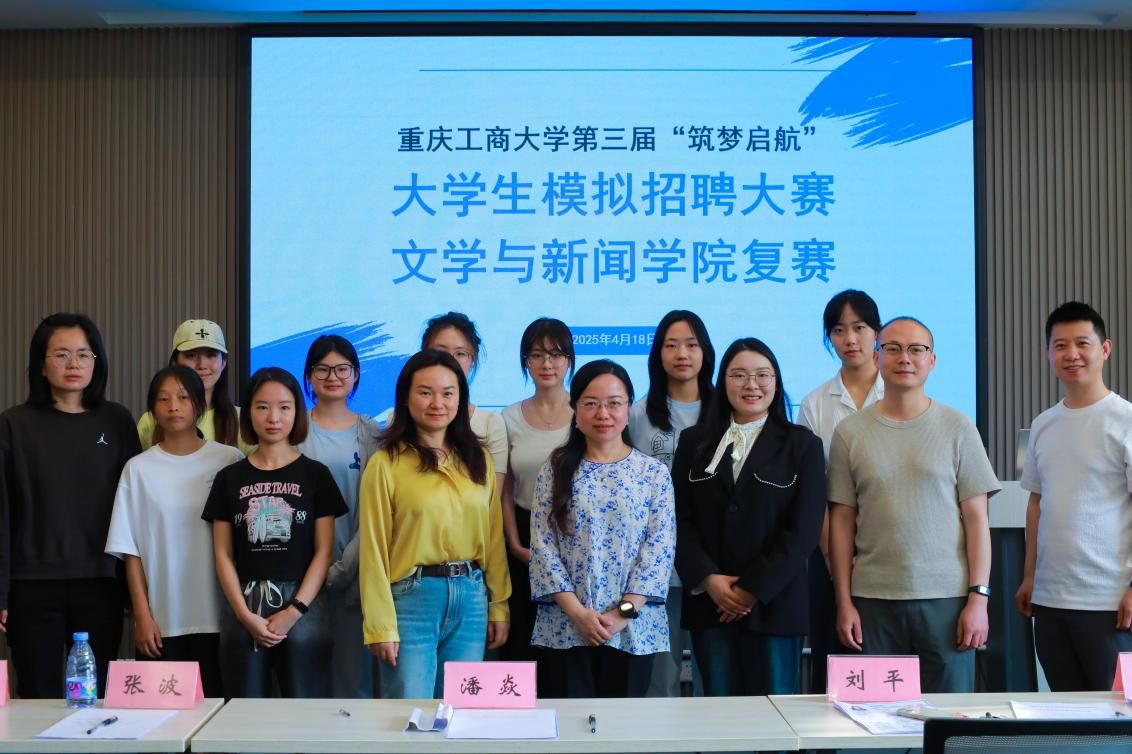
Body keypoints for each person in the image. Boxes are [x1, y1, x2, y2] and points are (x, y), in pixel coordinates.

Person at [828, 316, 1000, 693]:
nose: (904, 358)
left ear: (932, 360)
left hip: (948, 601)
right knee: (874, 716)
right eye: (893, 349)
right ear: (877, 357)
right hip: (872, 600)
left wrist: (979, 599)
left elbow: (977, 520)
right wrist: (844, 601)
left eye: (916, 350)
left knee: (948, 715)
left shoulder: (958, 426)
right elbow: (840, 521)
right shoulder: (850, 433)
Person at [673, 338, 825, 696]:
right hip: (710, 605)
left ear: (776, 381)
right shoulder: (694, 442)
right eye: (739, 375)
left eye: (762, 375)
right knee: (719, 714)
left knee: (774, 714)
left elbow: (803, 530)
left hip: (774, 605)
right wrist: (709, 580)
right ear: (723, 381)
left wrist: (751, 589)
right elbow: (678, 520)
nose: (751, 384)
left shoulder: (802, 444)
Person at [0, 313, 141, 698]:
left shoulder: (116, 421)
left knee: (95, 697)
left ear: (97, 361)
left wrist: (134, 590)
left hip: (101, 583)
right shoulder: (13, 424)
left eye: (83, 354)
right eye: (61, 355)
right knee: (37, 695)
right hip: (31, 586)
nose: (74, 364)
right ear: (41, 365)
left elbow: (134, 510)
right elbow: (3, 514)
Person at [358, 349, 510, 699]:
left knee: (461, 711)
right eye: (425, 392)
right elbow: (373, 551)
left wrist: (499, 605)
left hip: (471, 598)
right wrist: (380, 625)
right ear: (406, 398)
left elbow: (493, 539)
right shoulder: (386, 463)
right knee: (408, 713)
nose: (437, 403)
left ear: (460, 399)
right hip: (412, 600)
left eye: (447, 393)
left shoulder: (479, 460)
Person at [529, 359, 675, 698]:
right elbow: (543, 546)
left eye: (614, 403)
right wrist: (579, 614)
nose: (603, 414)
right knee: (571, 724)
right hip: (567, 626)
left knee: (624, 726)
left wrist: (621, 615)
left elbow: (658, 553)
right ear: (575, 410)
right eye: (591, 404)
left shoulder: (652, 473)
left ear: (628, 408)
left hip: (632, 628)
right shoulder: (555, 468)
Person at [202, 367, 346, 698]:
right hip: (244, 604)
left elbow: (324, 552)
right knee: (244, 709)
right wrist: (243, 614)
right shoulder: (229, 478)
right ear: (249, 412)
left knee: (306, 708)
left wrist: (294, 611)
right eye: (262, 407)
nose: (273, 417)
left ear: (297, 412)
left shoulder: (316, 475)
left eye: (284, 407)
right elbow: (222, 554)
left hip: (304, 606)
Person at [105, 365, 243, 698]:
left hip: (223, 619)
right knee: (164, 718)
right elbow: (130, 551)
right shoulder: (138, 469)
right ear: (152, 408)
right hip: (163, 623)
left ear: (200, 404)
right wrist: (142, 616)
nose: (173, 407)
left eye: (183, 397)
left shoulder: (229, 461)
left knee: (222, 716)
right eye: (163, 399)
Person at [1015, 301, 1132, 690]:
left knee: (1117, 714)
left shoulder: (1126, 420)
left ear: (1105, 349)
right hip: (1050, 600)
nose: (1071, 354)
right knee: (1065, 711)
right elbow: (1036, 504)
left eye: (1082, 343)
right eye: (1060, 345)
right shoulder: (1043, 425)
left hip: (1109, 603)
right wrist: (1029, 577)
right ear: (1048, 353)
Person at [796, 289, 883, 693]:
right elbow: (814, 490)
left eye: (859, 328)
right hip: (830, 545)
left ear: (877, 332)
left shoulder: (900, 391)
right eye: (838, 330)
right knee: (836, 662)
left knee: (886, 664)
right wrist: (836, 561)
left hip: (890, 551)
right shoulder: (815, 403)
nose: (850, 339)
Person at [628, 310, 715, 697]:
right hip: (654, 568)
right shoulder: (638, 414)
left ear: (705, 352)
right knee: (659, 678)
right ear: (658, 354)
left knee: (713, 675)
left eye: (692, 345)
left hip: (711, 565)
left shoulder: (726, 410)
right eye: (672, 345)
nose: (682, 354)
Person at [295, 335, 380, 698]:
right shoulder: (293, 430)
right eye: (322, 369)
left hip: (358, 573)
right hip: (300, 577)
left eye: (342, 369)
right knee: (304, 684)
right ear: (309, 376)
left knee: (353, 683)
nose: (333, 377)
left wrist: (346, 566)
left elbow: (378, 512)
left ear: (356, 374)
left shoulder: (373, 433)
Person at [499, 318, 575, 670]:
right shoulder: (509, 417)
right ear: (525, 361)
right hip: (523, 532)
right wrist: (514, 544)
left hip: (574, 534)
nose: (547, 364)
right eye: (537, 355)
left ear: (569, 360)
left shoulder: (586, 411)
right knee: (523, 639)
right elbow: (505, 489)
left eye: (556, 354)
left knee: (567, 639)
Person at [421, 312, 508, 493]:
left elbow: (492, 499)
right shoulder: (397, 419)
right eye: (440, 352)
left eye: (460, 353)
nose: (450, 360)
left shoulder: (491, 424)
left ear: (472, 360)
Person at [137, 319, 251, 453]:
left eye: (211, 355)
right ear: (174, 362)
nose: (201, 365)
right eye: (191, 355)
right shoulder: (151, 421)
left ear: (223, 363)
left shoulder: (243, 420)